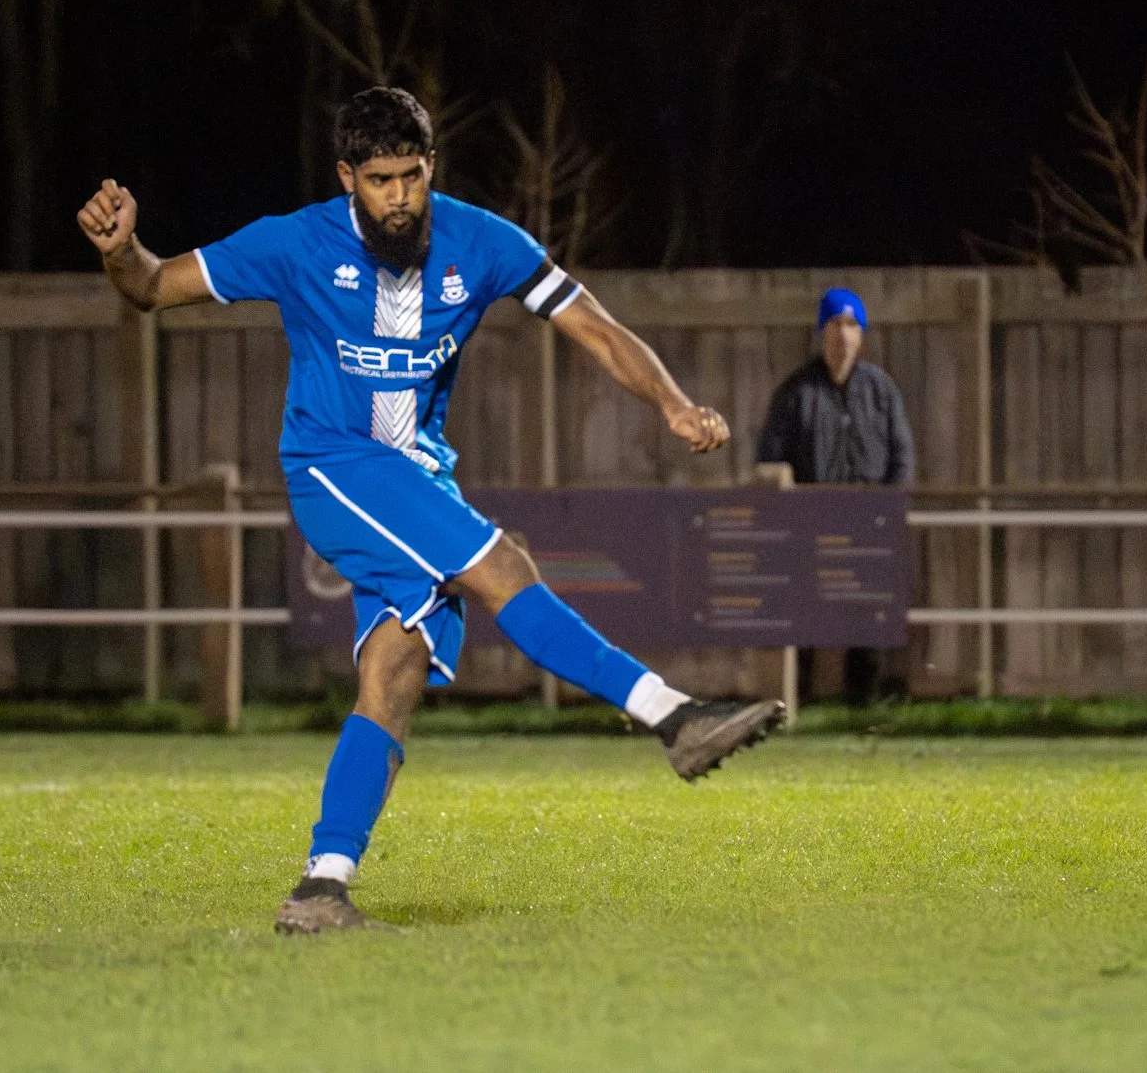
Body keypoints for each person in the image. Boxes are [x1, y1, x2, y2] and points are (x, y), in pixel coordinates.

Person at [77, 86, 783, 934]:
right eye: (380, 180)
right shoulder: (296, 243)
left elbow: (592, 324)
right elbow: (153, 286)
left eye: (412, 175)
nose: (400, 197)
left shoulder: (479, 240)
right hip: (331, 465)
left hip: (416, 477)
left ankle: (320, 888)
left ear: (431, 167)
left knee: (394, 669)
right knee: (503, 563)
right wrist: (123, 251)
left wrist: (670, 403)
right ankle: (673, 716)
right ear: (347, 177)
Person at [755, 288, 915, 701]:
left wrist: (890, 508)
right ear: (820, 332)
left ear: (861, 335)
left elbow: (901, 454)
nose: (842, 335)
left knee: (868, 612)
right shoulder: (795, 393)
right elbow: (771, 456)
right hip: (811, 520)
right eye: (834, 324)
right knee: (804, 612)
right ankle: (797, 698)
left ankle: (864, 701)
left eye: (850, 325)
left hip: (867, 519)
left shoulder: (880, 391)